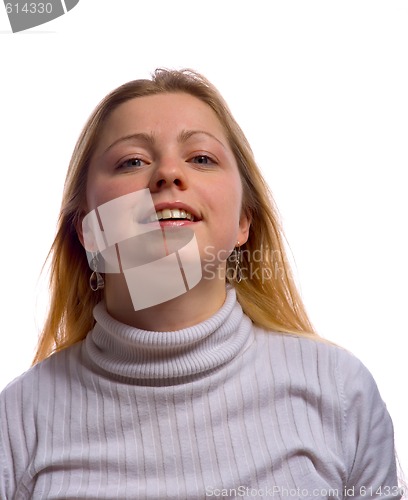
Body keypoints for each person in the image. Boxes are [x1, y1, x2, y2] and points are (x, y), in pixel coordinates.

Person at [0, 69, 402, 499]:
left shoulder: (341, 392)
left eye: (201, 158)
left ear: (244, 221)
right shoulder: (17, 422)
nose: (168, 174)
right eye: (132, 161)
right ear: (86, 230)